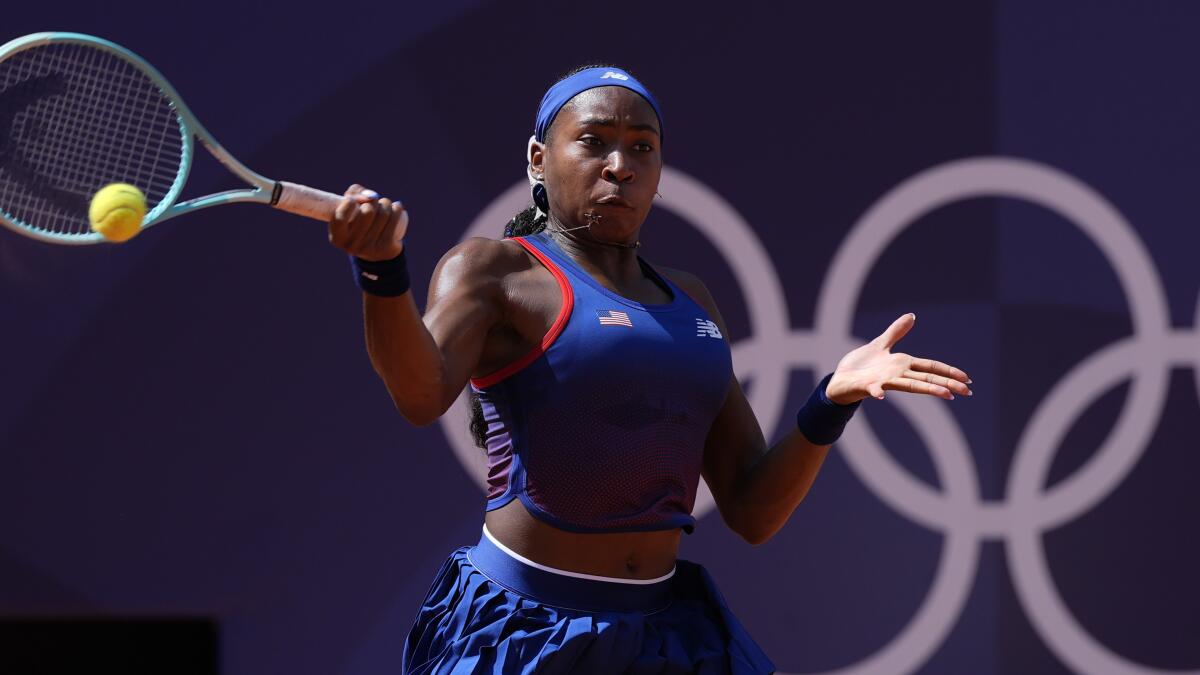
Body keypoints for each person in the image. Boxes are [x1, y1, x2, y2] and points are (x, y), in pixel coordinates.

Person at [327, 65, 972, 674]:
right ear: (537, 159)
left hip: (665, 635)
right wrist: (384, 274)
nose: (620, 166)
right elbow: (420, 392)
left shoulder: (691, 300)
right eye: (593, 142)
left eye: (642, 147)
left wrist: (831, 400)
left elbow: (751, 510)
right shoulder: (495, 271)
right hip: (523, 628)